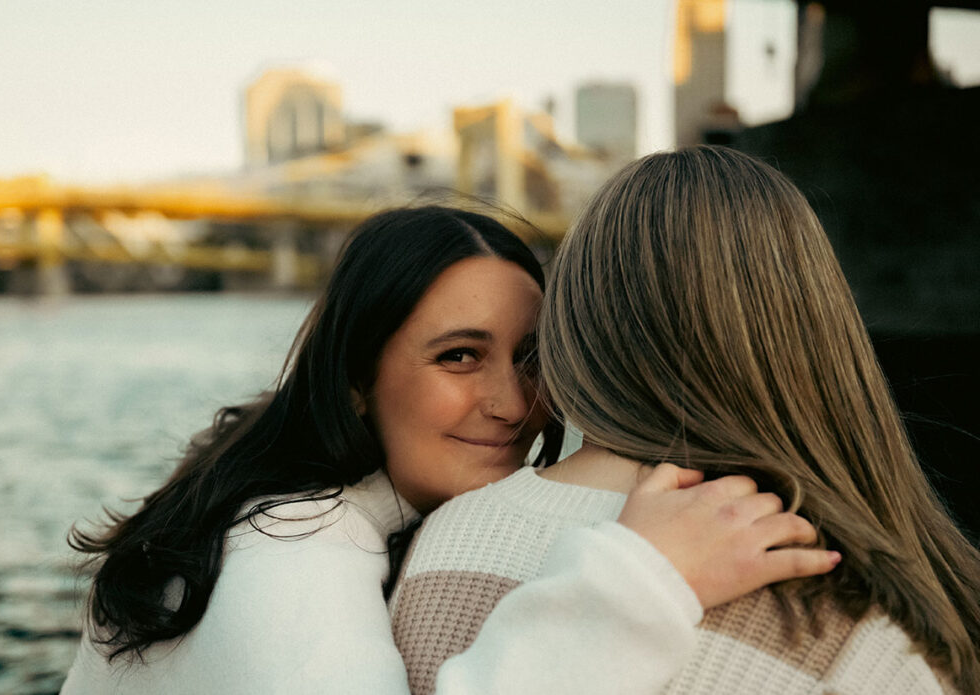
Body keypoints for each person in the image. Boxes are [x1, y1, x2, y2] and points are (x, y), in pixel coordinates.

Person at [61, 205, 837, 694]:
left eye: (531, 358)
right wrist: (641, 578)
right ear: (358, 378)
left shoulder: (277, 501)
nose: (511, 403)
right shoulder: (289, 549)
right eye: (459, 356)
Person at [390, 149, 980, 694]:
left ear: (575, 317)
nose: (511, 404)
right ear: (808, 329)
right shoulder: (848, 610)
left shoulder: (438, 541)